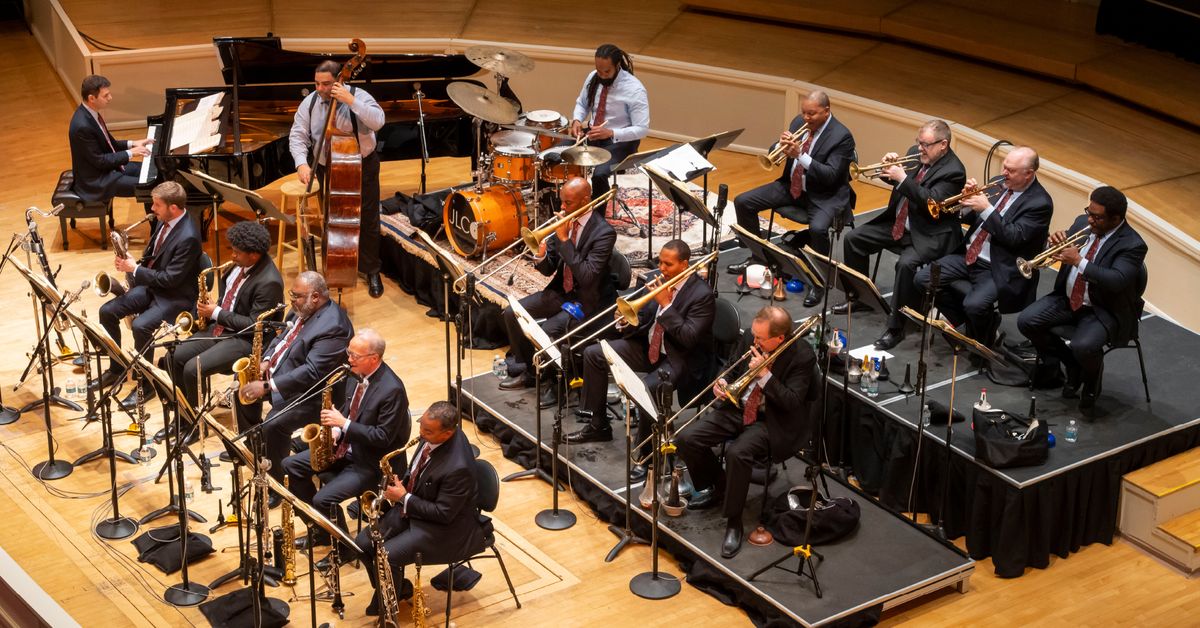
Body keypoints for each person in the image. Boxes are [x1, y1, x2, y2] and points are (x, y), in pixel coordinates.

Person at [676, 306, 819, 559]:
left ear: (780, 339)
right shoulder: (750, 338)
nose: (754, 341)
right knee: (687, 438)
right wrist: (721, 382)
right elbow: (731, 367)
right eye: (754, 335)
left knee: (737, 453)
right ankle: (720, 487)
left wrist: (765, 375)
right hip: (737, 407)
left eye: (761, 338)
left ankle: (734, 521)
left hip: (772, 420)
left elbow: (791, 402)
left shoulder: (802, 356)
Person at [569, 240, 715, 449]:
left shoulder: (702, 296)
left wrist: (666, 305)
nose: (662, 268)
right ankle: (597, 425)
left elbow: (688, 337)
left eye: (668, 264)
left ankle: (647, 452)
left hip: (679, 357)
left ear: (684, 264)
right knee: (594, 353)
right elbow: (644, 318)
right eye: (660, 262)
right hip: (648, 347)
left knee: (647, 388)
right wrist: (625, 322)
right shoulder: (657, 280)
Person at [839, 119, 966, 350]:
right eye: (919, 143)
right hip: (899, 223)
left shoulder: (954, 172)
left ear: (943, 144)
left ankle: (896, 328)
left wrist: (902, 178)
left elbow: (931, 203)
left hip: (928, 233)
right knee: (853, 239)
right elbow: (902, 183)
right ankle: (860, 297)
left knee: (906, 265)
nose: (920, 149)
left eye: (926, 145)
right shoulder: (915, 154)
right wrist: (888, 170)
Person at [1017, 186, 1147, 412]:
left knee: (1083, 346)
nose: (1089, 219)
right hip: (1068, 300)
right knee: (1027, 321)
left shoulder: (1132, 244)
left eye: (1096, 217)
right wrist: (1053, 245)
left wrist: (1079, 261)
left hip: (1103, 310)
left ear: (1116, 218)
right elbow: (1062, 249)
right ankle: (1071, 365)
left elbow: (1116, 280)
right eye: (1089, 211)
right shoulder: (1082, 223)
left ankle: (1091, 381)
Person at [284, 328, 411, 551]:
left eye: (354, 355)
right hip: (346, 448)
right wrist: (336, 432)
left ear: (374, 358)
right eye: (348, 352)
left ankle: (345, 549)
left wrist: (343, 424)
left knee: (322, 500)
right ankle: (322, 531)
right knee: (290, 466)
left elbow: (383, 437)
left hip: (371, 463)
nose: (348, 359)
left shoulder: (392, 390)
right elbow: (351, 410)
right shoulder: (355, 374)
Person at [913, 147, 1053, 348]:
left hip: (999, 266)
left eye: (1011, 170)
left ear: (1029, 174)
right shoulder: (1000, 181)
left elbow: (1013, 237)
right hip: (969, 255)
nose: (1004, 173)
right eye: (1005, 167)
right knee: (922, 279)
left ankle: (983, 345)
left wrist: (986, 208)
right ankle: (958, 315)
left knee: (975, 305)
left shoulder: (1040, 203)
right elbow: (973, 218)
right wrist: (966, 203)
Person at [727, 90, 855, 307]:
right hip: (793, 186)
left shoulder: (841, 136)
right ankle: (759, 258)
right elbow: (775, 149)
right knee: (743, 202)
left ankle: (819, 281)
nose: (806, 118)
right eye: (804, 112)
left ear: (826, 111)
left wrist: (801, 156)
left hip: (825, 194)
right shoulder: (800, 122)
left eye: (812, 114)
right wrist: (779, 146)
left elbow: (831, 176)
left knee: (818, 229)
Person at [160, 220, 284, 444]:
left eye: (237, 252)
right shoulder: (236, 266)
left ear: (254, 255)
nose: (232, 255)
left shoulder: (269, 282)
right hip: (220, 329)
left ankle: (195, 427)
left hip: (244, 339)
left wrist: (215, 312)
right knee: (173, 357)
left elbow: (253, 325)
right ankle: (184, 415)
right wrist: (211, 312)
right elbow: (230, 298)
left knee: (191, 369)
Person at [499, 177, 616, 407]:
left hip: (587, 299)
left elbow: (587, 276)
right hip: (562, 291)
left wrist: (564, 240)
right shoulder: (565, 221)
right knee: (511, 313)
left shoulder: (604, 233)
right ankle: (532, 373)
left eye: (568, 203)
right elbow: (549, 268)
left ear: (585, 200)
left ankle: (557, 384)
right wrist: (542, 254)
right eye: (561, 202)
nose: (562, 208)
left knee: (548, 331)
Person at [237, 271, 354, 501]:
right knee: (241, 391)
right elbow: (282, 340)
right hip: (283, 375)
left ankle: (279, 485)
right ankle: (254, 446)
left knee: (273, 425)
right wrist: (266, 361)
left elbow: (312, 372)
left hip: (314, 394)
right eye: (292, 295)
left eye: (297, 296)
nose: (292, 300)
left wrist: (268, 385)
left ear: (316, 297)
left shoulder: (334, 327)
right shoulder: (302, 309)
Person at [355, 401, 478, 617]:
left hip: (445, 530)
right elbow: (418, 472)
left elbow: (444, 514)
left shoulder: (459, 467)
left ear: (447, 434)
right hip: (416, 508)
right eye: (421, 425)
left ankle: (389, 613)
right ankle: (396, 588)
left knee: (387, 555)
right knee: (363, 543)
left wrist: (404, 497)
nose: (421, 433)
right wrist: (401, 485)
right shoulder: (430, 436)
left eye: (428, 431)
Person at [90, 181, 202, 410]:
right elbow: (155, 256)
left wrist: (136, 270)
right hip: (154, 287)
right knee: (107, 311)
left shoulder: (188, 236)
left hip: (176, 296)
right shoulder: (164, 221)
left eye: (157, 205)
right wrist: (133, 261)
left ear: (173, 208)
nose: (152, 208)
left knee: (141, 326)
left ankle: (148, 384)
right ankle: (116, 367)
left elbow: (171, 279)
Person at [289, 60, 387, 298]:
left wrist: (350, 100)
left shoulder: (359, 95)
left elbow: (378, 121)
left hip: (362, 165)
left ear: (340, 80)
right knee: (332, 219)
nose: (321, 89)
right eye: (317, 83)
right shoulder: (310, 102)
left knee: (367, 218)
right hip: (328, 167)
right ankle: (335, 268)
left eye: (327, 84)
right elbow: (298, 135)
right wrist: (302, 162)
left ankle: (371, 269)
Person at [569, 44, 650, 201]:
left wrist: (611, 132)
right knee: (555, 156)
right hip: (593, 135)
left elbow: (642, 129)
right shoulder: (594, 76)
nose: (602, 75)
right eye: (599, 71)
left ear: (617, 66)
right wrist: (577, 120)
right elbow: (582, 103)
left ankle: (598, 221)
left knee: (599, 175)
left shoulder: (634, 89)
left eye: (607, 72)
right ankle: (559, 205)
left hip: (620, 141)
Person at [68, 74, 154, 204]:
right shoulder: (82, 126)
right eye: (105, 95)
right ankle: (155, 222)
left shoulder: (91, 114)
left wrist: (133, 143)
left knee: (152, 172)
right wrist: (132, 153)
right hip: (97, 180)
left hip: (109, 168)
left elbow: (110, 144)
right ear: (91, 98)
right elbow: (100, 161)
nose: (110, 98)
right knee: (152, 186)